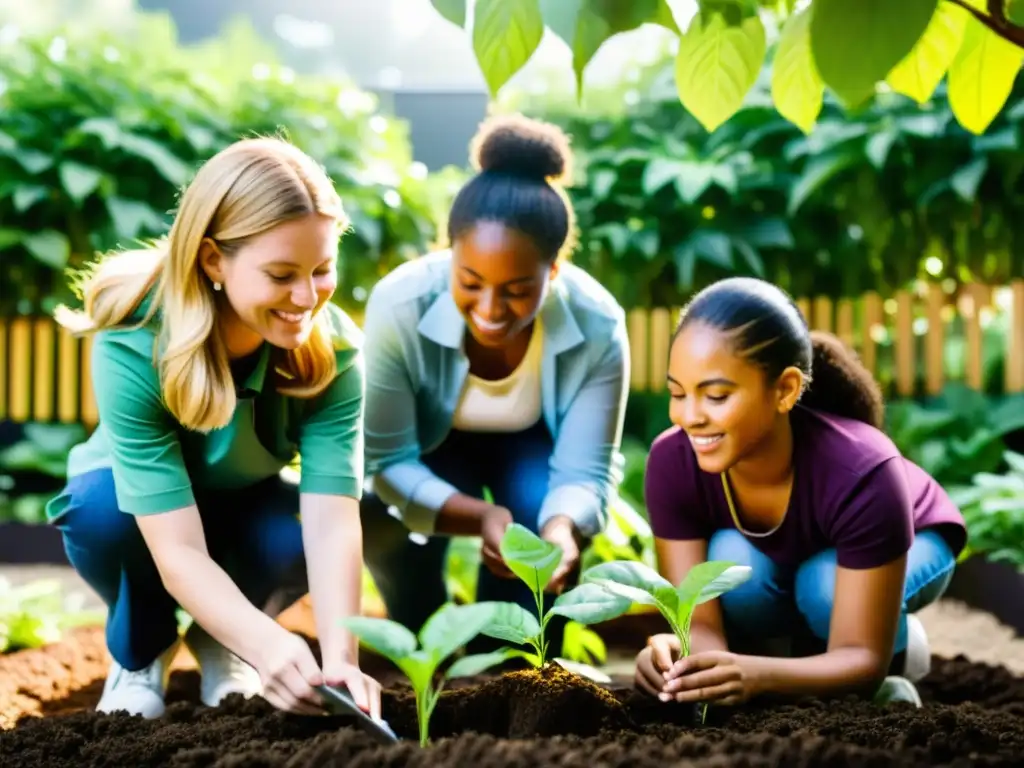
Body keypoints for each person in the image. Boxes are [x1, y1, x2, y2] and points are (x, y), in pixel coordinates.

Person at [47, 138, 382, 720]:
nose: (307, 298)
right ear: (212, 261)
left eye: (322, 269)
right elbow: (175, 546)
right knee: (100, 512)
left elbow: (332, 523)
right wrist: (268, 645)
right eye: (282, 274)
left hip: (243, 506)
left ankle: (222, 639)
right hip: (134, 512)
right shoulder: (134, 342)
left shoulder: (333, 354)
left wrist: (340, 660)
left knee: (313, 525)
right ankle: (140, 649)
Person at [358, 113, 630, 655]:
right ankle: (422, 646)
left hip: (533, 448)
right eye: (471, 282)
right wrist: (481, 516)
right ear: (449, 252)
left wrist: (559, 532)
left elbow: (585, 471)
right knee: (384, 525)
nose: (489, 309)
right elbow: (385, 460)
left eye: (516, 289)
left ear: (552, 272)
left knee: (535, 539)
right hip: (431, 448)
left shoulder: (598, 323)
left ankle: (511, 666)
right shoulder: (399, 304)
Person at [634, 277, 967, 707]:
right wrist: (677, 656)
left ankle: (899, 646)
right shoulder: (671, 462)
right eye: (677, 393)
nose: (689, 416)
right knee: (730, 563)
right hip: (781, 550)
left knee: (821, 586)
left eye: (715, 395)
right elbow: (700, 627)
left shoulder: (865, 470)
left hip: (914, 538)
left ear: (785, 390)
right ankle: (805, 659)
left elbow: (860, 658)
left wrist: (759, 676)